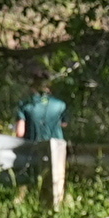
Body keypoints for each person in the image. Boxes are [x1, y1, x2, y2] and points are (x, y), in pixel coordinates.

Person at [17, 70, 69, 207]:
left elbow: (20, 132)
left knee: (33, 183)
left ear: (32, 86)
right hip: (57, 151)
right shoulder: (61, 105)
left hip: (33, 150)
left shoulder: (25, 105)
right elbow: (64, 124)